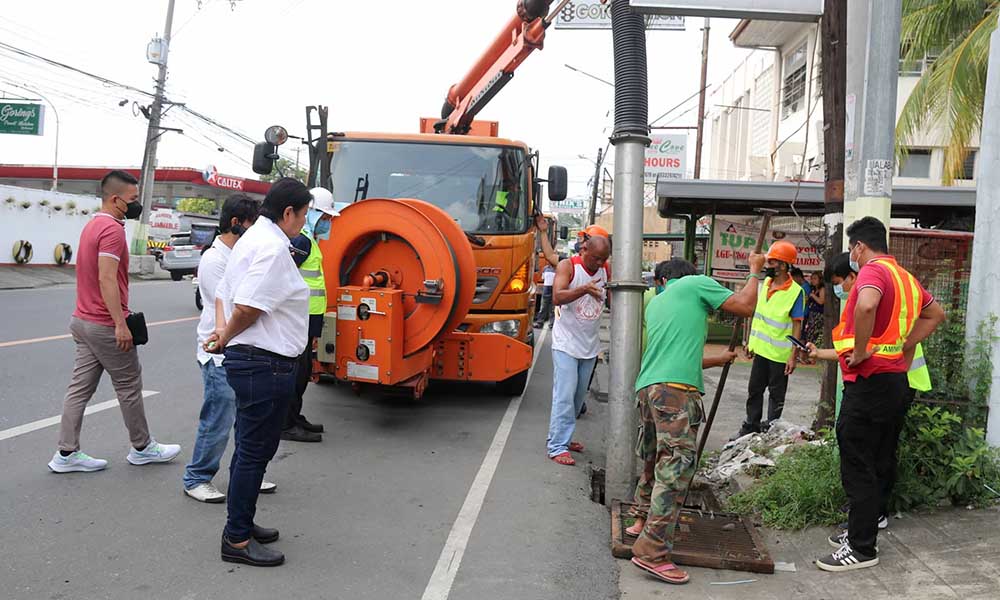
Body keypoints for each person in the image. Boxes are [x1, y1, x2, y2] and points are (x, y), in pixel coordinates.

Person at [804, 217, 945, 572]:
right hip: (895, 382)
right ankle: (860, 531)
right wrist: (899, 346)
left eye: (853, 249)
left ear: (859, 247)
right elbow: (936, 314)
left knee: (857, 461)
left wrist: (866, 349)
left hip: (871, 382)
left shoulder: (872, 271)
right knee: (877, 457)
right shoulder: (905, 277)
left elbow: (866, 305)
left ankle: (861, 547)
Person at [627, 254, 765, 585]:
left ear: (663, 281)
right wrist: (755, 272)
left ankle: (640, 518)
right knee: (674, 470)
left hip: (650, 389)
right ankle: (652, 550)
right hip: (675, 394)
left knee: (651, 459)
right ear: (689, 277)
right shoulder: (695, 284)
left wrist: (720, 358)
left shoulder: (658, 304)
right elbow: (745, 306)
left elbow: (681, 355)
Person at [205, 178, 312, 567]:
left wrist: (223, 334)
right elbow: (248, 306)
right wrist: (224, 336)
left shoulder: (257, 239)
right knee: (253, 452)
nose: (305, 222)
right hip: (263, 362)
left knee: (253, 449)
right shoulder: (268, 247)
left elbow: (227, 296)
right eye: (304, 215)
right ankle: (235, 540)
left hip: (260, 360)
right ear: (288, 213)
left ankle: (242, 523)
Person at [48, 170, 181, 473]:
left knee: (79, 388)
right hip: (103, 323)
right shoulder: (111, 230)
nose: (137, 205)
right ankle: (143, 447)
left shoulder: (93, 225)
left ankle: (66, 454)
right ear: (115, 199)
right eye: (133, 199)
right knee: (129, 384)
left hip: (82, 320)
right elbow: (106, 277)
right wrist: (120, 324)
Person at [183, 194, 279, 502]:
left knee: (244, 418)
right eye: (250, 226)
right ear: (235, 223)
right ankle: (197, 477)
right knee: (218, 418)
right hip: (218, 353)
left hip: (240, 348)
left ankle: (244, 472)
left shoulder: (240, 253)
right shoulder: (215, 259)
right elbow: (227, 302)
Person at [546, 235, 611, 466]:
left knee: (576, 398)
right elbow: (557, 296)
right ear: (584, 250)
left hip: (589, 346)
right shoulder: (568, 266)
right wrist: (584, 289)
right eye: (595, 258)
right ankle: (557, 446)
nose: (599, 263)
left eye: (603, 259)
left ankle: (563, 435)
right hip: (565, 343)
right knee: (564, 395)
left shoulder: (605, 270)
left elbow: (612, 298)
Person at [732, 240, 806, 439]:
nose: (768, 266)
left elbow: (797, 325)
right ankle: (751, 426)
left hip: (780, 355)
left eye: (772, 262)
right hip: (761, 350)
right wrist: (750, 342)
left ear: (783, 265)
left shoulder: (796, 292)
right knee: (754, 390)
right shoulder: (765, 285)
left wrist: (793, 355)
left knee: (776, 395)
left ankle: (771, 429)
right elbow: (759, 318)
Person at [281, 187, 338, 443]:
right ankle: (287, 423)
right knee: (298, 373)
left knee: (303, 372)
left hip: (308, 317)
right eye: (325, 217)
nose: (328, 222)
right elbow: (284, 275)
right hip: (299, 318)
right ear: (312, 213)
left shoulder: (309, 240)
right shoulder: (302, 241)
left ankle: (294, 417)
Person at [802, 271, 826, 345]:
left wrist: (813, 296)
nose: (812, 280)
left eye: (815, 278)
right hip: (811, 314)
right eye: (812, 278)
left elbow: (821, 301)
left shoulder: (822, 289)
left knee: (815, 334)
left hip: (818, 315)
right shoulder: (813, 289)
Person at [533, 254, 556, 329]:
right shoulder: (545, 268)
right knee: (543, 307)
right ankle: (540, 323)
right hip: (546, 288)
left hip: (554, 289)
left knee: (553, 308)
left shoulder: (558, 269)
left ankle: (552, 324)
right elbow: (543, 278)